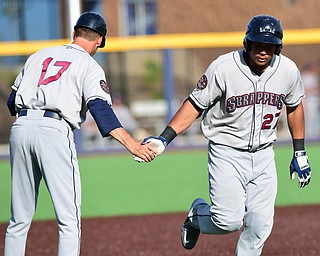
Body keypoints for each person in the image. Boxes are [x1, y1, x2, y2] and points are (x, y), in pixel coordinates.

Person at [139, 15, 312, 255]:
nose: (263, 51)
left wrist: (300, 152)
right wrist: (164, 137)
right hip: (226, 153)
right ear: (247, 43)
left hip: (264, 155)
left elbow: (294, 106)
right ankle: (197, 216)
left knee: (260, 225)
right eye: (258, 44)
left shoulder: (287, 70)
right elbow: (195, 104)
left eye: (269, 45)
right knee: (227, 221)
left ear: (277, 47)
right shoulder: (224, 67)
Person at [4, 12, 156, 256]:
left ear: (74, 33)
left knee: (18, 219)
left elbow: (12, 101)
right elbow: (101, 110)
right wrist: (132, 145)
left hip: (21, 127)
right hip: (53, 130)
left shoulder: (38, 55)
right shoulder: (89, 65)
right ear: (100, 41)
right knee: (68, 220)